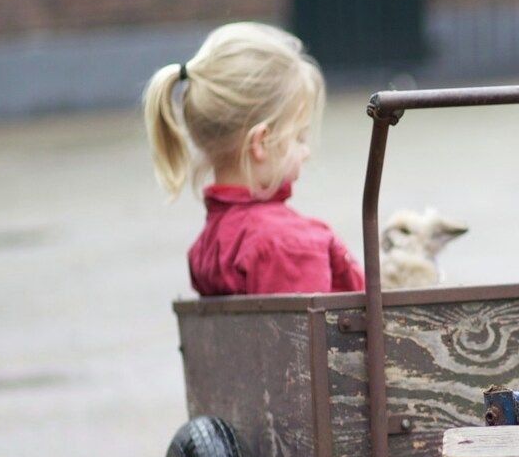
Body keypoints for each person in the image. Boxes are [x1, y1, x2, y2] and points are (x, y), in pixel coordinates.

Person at [143, 22, 366, 296]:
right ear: (260, 142)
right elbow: (303, 336)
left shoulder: (210, 244)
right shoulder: (289, 244)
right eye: (299, 138)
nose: (306, 153)